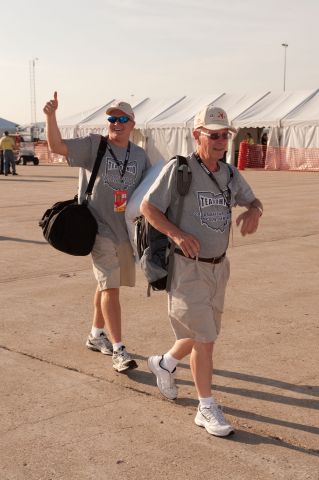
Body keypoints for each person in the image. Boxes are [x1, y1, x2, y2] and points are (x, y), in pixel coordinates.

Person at [140, 105, 263, 437]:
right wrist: (177, 234)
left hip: (218, 269)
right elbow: (148, 207)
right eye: (214, 135)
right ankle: (205, 406)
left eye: (225, 135)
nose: (222, 141)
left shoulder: (230, 174)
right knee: (205, 340)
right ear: (197, 135)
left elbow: (254, 201)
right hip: (187, 268)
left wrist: (255, 210)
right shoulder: (180, 170)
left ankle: (164, 363)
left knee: (199, 334)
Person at [43, 92, 150, 373]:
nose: (116, 123)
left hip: (125, 231)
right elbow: (56, 145)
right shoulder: (95, 145)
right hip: (98, 228)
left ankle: (95, 334)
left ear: (132, 123)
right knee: (111, 288)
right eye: (112, 118)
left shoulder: (139, 156)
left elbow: (150, 191)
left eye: (122, 119)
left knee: (106, 285)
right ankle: (119, 350)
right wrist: (50, 116)